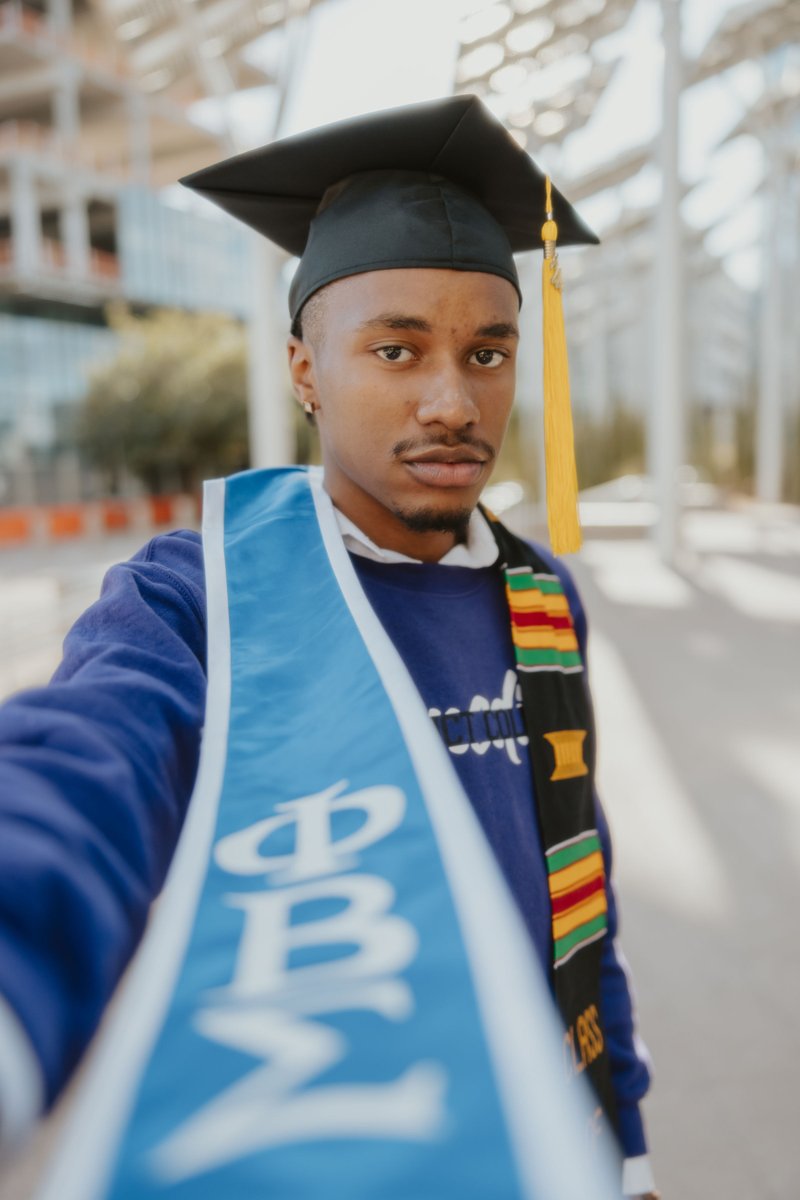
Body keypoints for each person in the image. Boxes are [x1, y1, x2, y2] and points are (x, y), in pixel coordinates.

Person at [0, 95, 657, 1199]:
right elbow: (78, 769)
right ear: (305, 369)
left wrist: (626, 1142)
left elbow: (574, 886)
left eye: (488, 352)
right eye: (395, 350)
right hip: (330, 1141)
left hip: (533, 1139)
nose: (453, 400)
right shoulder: (203, 592)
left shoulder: (540, 597)